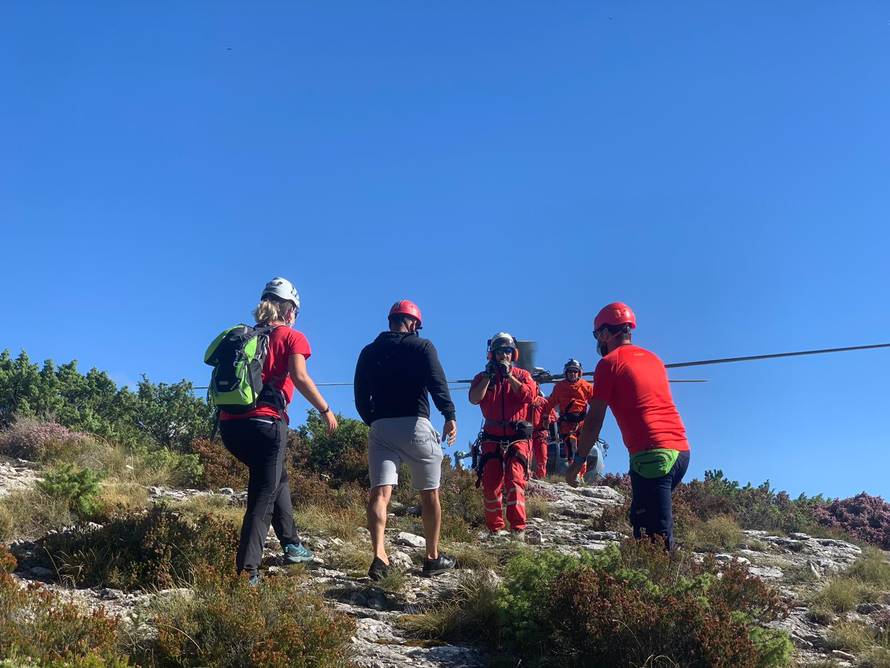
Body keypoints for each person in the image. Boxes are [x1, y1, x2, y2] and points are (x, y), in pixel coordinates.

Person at [219, 277, 338, 584]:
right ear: (288, 310)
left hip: (230, 425)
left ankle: (292, 544)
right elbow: (299, 376)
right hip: (267, 425)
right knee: (262, 496)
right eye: (295, 310)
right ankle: (247, 573)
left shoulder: (245, 336)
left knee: (275, 477)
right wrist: (325, 410)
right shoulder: (292, 336)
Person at [567, 302, 690, 549]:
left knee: (654, 540)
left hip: (653, 456)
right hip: (680, 452)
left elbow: (594, 420)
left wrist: (578, 463)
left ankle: (666, 574)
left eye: (597, 335)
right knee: (641, 518)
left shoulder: (609, 364)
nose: (598, 341)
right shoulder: (654, 359)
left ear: (605, 333)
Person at [354, 300, 458, 580]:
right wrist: (449, 414)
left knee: (379, 493)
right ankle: (432, 557)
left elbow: (360, 395)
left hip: (381, 427)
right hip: (416, 425)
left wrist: (374, 420)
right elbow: (437, 382)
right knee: (430, 494)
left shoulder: (368, 351)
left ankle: (379, 557)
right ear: (413, 324)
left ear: (391, 321)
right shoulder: (422, 347)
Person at [469, 332, 537, 536]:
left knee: (515, 481)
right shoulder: (482, 378)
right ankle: (496, 530)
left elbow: (529, 396)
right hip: (491, 438)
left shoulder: (523, 375)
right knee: (491, 485)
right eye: (499, 352)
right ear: (492, 354)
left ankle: (518, 529)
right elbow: (474, 398)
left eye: (507, 351)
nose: (504, 355)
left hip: (517, 437)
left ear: (513, 354)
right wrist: (488, 377)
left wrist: (509, 377)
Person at [545, 358, 594, 475]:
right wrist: (546, 416)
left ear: (579, 373)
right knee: (570, 447)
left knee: (582, 448)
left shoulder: (587, 386)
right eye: (570, 371)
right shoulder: (559, 387)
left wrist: (594, 419)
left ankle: (580, 474)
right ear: (566, 373)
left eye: (575, 371)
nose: (572, 374)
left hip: (581, 422)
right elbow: (551, 402)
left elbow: (595, 404)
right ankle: (573, 473)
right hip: (566, 423)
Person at [528, 386, 556, 479]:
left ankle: (540, 476)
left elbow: (553, 418)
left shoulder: (543, 402)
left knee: (542, 456)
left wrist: (553, 434)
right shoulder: (523, 400)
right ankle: (526, 474)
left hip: (540, 433)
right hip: (525, 433)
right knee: (525, 455)